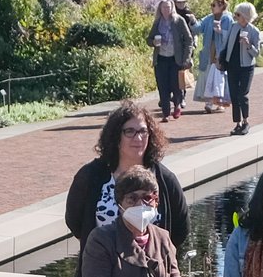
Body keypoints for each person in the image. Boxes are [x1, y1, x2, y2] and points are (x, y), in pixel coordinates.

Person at [65, 105, 189, 253]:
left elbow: (180, 229)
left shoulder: (165, 180)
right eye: (129, 131)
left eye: (143, 131)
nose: (138, 138)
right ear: (116, 136)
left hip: (150, 271)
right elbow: (75, 222)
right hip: (100, 268)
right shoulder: (91, 176)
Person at [149, 0, 193, 117]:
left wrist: (186, 58)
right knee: (162, 85)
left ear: (172, 7)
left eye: (168, 7)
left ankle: (177, 105)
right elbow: (149, 38)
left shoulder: (178, 21)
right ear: (160, 9)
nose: (166, 9)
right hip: (161, 58)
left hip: (175, 59)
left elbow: (189, 40)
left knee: (176, 85)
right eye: (164, 7)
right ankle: (165, 113)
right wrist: (153, 42)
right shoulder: (157, 22)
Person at [226, 2, 263, 135]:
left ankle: (246, 121)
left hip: (246, 67)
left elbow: (256, 53)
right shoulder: (233, 27)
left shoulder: (253, 31)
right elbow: (227, 44)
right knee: (234, 95)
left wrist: (248, 45)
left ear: (246, 16)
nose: (236, 17)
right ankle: (237, 123)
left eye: (238, 14)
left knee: (243, 94)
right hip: (232, 65)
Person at [194, 0, 234, 114]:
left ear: (221, 6)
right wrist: (192, 21)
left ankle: (220, 102)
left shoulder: (227, 19)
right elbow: (198, 28)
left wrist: (221, 31)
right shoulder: (209, 18)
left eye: (214, 5)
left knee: (220, 78)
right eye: (211, 5)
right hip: (209, 52)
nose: (212, 7)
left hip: (221, 52)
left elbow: (230, 36)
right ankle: (209, 103)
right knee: (208, 76)